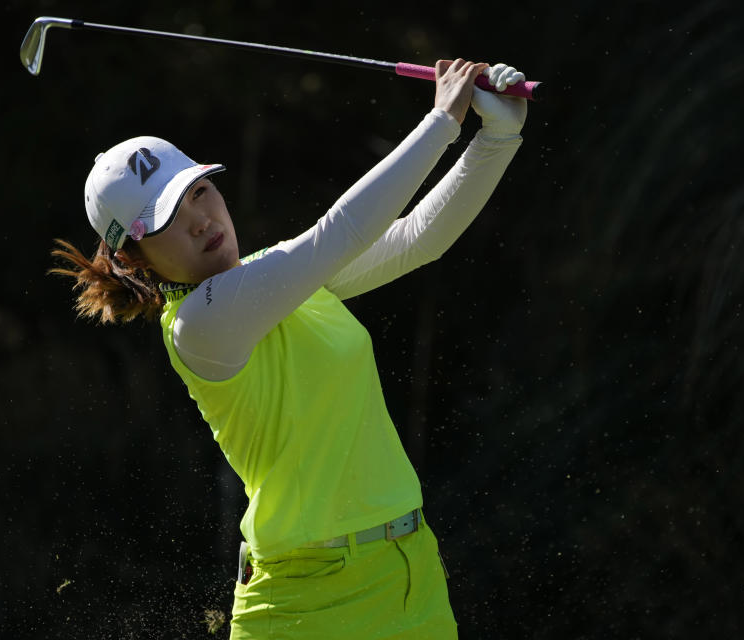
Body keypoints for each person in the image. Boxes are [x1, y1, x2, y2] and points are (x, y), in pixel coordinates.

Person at [51, 58, 527, 639]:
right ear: (134, 259)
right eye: (170, 218)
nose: (201, 220)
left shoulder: (281, 278)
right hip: (308, 602)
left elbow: (414, 238)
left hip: (410, 576)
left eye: (200, 191)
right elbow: (339, 232)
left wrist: (498, 137)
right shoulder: (199, 325)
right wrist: (441, 122)